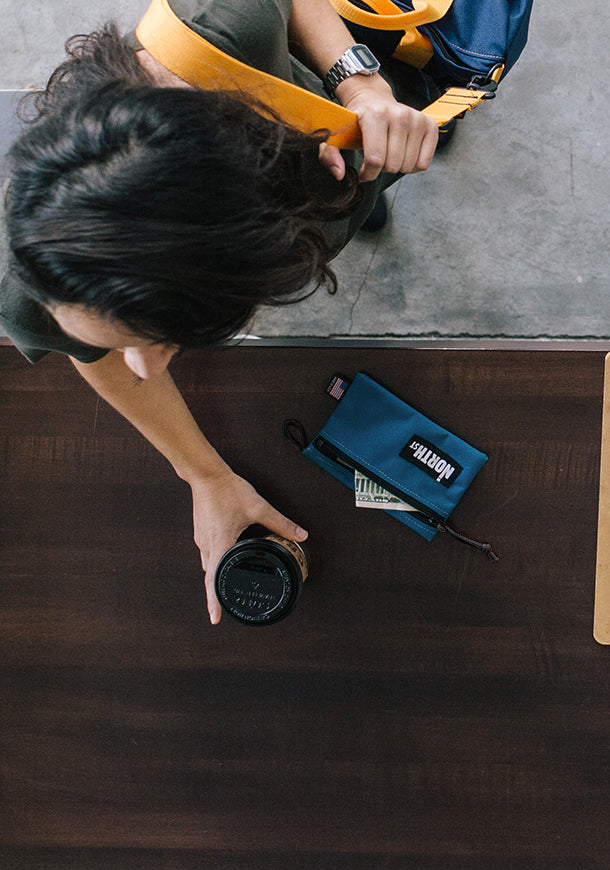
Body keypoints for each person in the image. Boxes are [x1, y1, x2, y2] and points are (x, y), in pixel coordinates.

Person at [1, 0, 443, 623]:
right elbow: (93, 353)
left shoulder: (224, 26)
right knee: (365, 190)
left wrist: (362, 83)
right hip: (304, 198)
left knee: (411, 124)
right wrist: (205, 476)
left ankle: (362, 191)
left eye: (155, 336)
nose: (146, 368)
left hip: (325, 132)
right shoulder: (30, 289)